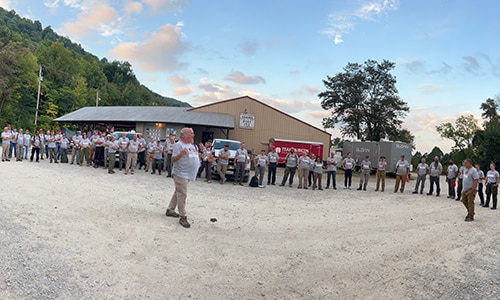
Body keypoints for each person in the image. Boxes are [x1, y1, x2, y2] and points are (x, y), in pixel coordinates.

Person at [165, 127, 200, 229]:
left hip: (188, 174)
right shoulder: (178, 145)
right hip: (181, 174)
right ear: (184, 135)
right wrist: (181, 154)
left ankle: (170, 210)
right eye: (191, 133)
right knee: (182, 194)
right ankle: (182, 216)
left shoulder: (191, 145)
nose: (193, 135)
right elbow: (173, 159)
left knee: (178, 192)